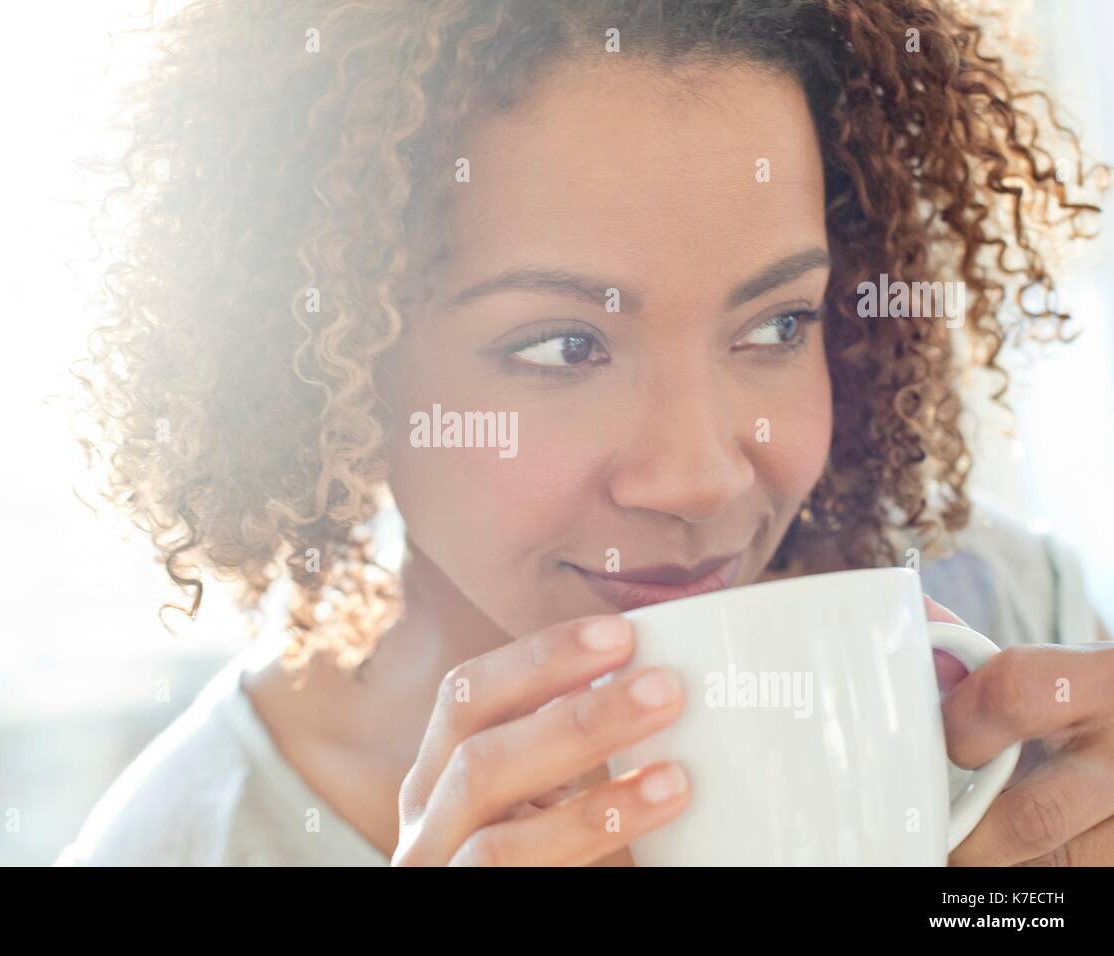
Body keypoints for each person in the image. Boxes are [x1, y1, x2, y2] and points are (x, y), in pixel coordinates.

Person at [58, 0, 1113, 866]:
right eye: (562, 346)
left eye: (776, 324)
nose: (697, 478)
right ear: (332, 366)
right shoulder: (187, 844)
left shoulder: (1008, 630)